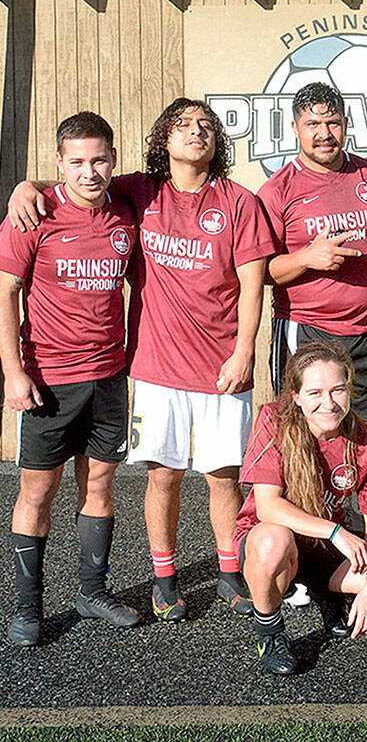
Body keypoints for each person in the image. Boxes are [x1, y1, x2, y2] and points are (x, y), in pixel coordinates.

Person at [6, 98, 275, 623]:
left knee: (224, 475)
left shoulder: (238, 201)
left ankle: (226, 574)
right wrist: (27, 186)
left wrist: (245, 350)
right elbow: (77, 177)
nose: (196, 133)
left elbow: (253, 284)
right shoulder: (140, 191)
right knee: (163, 476)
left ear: (216, 139)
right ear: (162, 141)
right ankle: (163, 578)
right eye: (182, 126)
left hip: (220, 366)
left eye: (205, 126)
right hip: (152, 367)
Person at [2, 112, 140, 645]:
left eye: (99, 159)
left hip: (108, 377)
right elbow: (5, 294)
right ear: (59, 162)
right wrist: (13, 372)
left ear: (113, 159)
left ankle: (91, 590)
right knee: (38, 491)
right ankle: (27, 607)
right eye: (77, 161)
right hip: (48, 381)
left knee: (100, 485)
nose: (90, 171)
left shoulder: (125, 216)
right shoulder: (31, 216)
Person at [235, 342, 367, 675]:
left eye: (337, 390)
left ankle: (326, 592)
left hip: (322, 546)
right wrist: (336, 532)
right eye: (315, 392)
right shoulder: (273, 421)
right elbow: (267, 506)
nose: (329, 403)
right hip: (272, 539)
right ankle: (270, 632)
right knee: (273, 543)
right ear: (296, 396)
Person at [258, 82, 367, 426]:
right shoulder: (277, 190)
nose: (324, 134)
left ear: (346, 124)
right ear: (294, 128)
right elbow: (260, 272)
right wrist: (306, 258)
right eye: (312, 125)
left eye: (332, 123)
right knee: (305, 432)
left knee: (364, 434)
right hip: (307, 331)